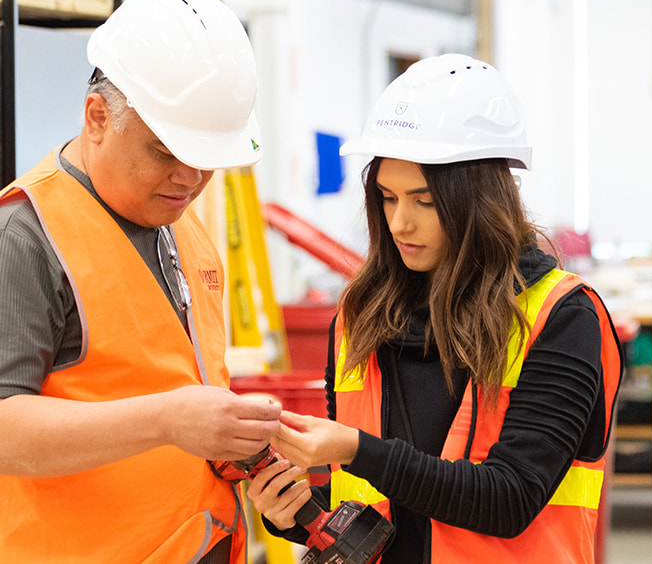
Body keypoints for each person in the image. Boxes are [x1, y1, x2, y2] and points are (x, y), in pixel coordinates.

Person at [0, 0, 281, 563]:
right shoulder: (17, 239)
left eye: (205, 161)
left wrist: (238, 444)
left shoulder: (177, 219)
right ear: (98, 116)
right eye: (164, 152)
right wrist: (169, 420)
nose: (189, 179)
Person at [245, 54, 623, 562]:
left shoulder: (561, 317)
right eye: (387, 197)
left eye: (423, 201)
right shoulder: (361, 321)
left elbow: (511, 498)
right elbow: (368, 510)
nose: (400, 223)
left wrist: (356, 450)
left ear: (479, 199)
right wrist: (296, 513)